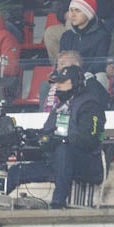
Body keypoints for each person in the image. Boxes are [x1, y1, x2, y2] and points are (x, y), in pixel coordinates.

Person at [6, 66, 105, 207]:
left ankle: (58, 203)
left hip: (87, 165)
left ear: (76, 82)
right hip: (57, 164)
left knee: (64, 150)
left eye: (62, 81)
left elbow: (90, 140)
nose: (57, 85)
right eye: (57, 81)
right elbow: (47, 131)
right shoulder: (60, 105)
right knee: (17, 171)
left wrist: (61, 139)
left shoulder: (90, 105)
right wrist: (33, 135)